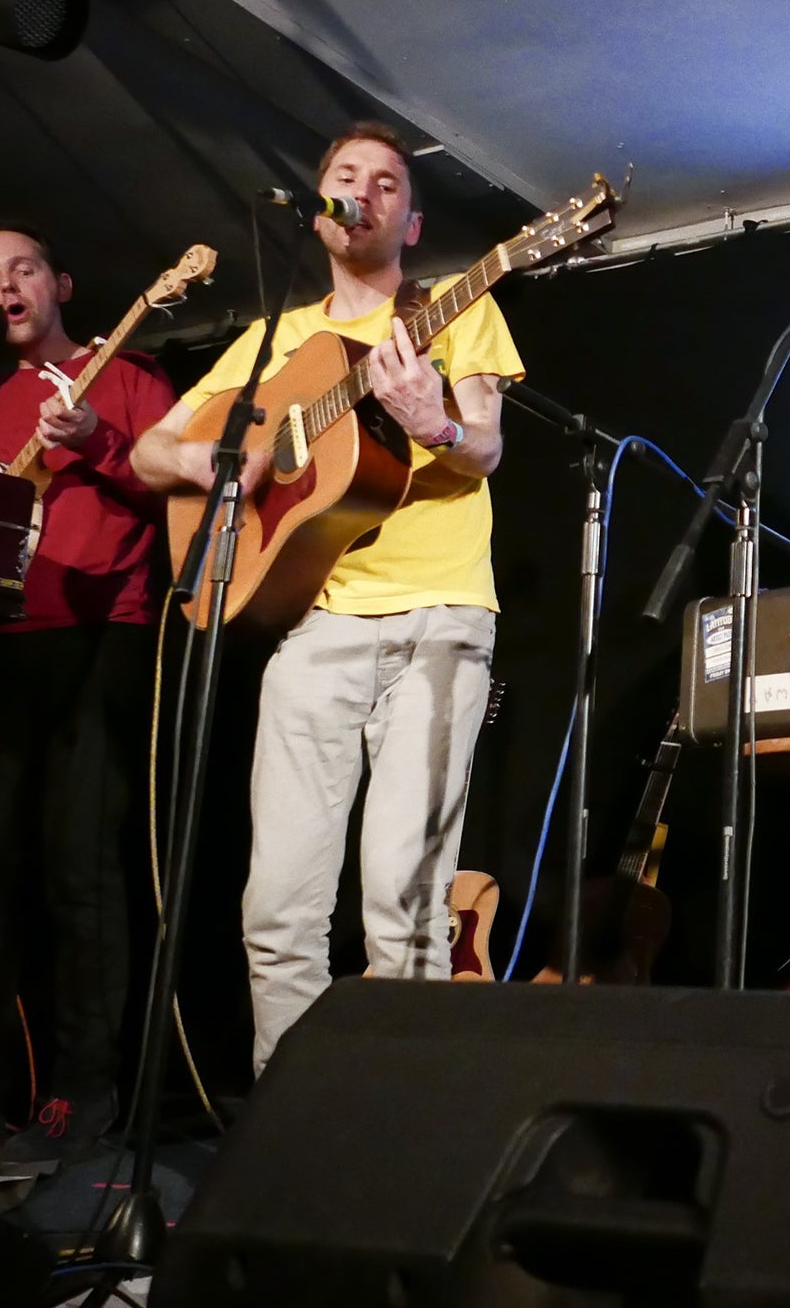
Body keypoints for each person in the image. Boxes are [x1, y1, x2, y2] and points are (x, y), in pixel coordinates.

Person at [133, 121, 520, 1075]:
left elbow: (485, 447)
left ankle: (402, 1143)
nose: (365, 192)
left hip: (439, 618)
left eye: (387, 183)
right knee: (278, 910)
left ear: (412, 222)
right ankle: (287, 1135)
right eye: (347, 178)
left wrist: (435, 420)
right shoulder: (283, 345)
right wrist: (217, 464)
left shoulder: (458, 311)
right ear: (318, 209)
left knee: (403, 904)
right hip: (313, 624)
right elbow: (150, 450)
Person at [0, 227, 174, 1178]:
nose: (3, 286)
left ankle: (82, 1092)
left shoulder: (129, 377)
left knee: (81, 872)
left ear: (59, 282)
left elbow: (179, 486)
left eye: (19, 270)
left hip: (101, 640)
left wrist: (94, 438)